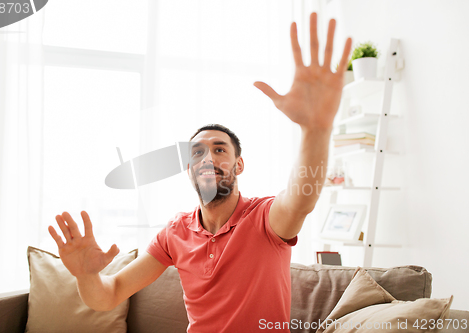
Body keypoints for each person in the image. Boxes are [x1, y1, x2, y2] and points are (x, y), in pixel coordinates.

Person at [48, 12, 352, 333]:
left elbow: (301, 199)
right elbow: (108, 296)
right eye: (197, 152)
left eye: (219, 149)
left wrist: (316, 130)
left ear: (239, 164)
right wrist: (85, 276)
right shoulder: (175, 233)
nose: (207, 157)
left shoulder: (265, 219)